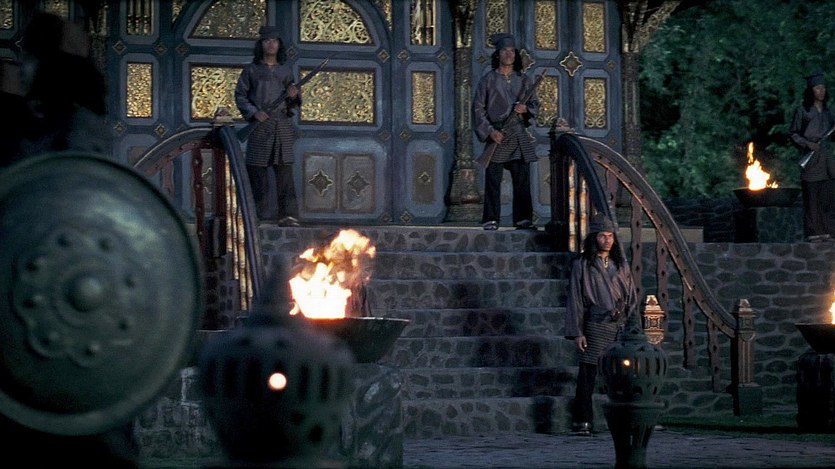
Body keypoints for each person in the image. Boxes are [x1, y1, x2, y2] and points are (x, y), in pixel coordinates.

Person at [563, 212, 638, 436]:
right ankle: (582, 420)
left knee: (625, 374)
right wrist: (578, 332)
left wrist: (632, 325)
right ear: (594, 237)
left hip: (620, 325)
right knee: (588, 374)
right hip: (596, 324)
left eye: (610, 236)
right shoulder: (582, 264)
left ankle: (628, 419)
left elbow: (631, 297)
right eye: (602, 236)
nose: (607, 240)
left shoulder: (621, 264)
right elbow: (575, 299)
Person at [234, 26, 301, 227]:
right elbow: (240, 96)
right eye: (267, 41)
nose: (271, 44)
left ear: (279, 45)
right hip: (260, 125)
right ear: (261, 44)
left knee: (285, 173)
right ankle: (257, 216)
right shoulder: (251, 70)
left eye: (274, 41)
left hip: (281, 125)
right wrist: (254, 112)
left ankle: (288, 215)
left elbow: (293, 103)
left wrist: (294, 96)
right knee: (257, 173)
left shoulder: (285, 71)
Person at [472, 33, 540, 231]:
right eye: (504, 51)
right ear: (498, 54)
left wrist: (525, 109)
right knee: (493, 178)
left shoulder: (524, 79)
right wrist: (490, 131)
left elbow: (535, 104)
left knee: (522, 178)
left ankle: (523, 219)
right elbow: (478, 109)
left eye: (512, 51)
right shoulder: (488, 80)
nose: (509, 54)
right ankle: (491, 219)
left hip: (517, 132)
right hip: (498, 132)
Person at [789, 70, 835, 242]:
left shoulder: (829, 112)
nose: (821, 91)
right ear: (811, 91)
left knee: (827, 197)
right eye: (817, 88)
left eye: (823, 88)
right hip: (811, 158)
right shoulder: (803, 111)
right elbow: (793, 134)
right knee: (811, 197)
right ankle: (813, 232)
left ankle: (828, 231)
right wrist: (808, 144)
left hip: (827, 160)